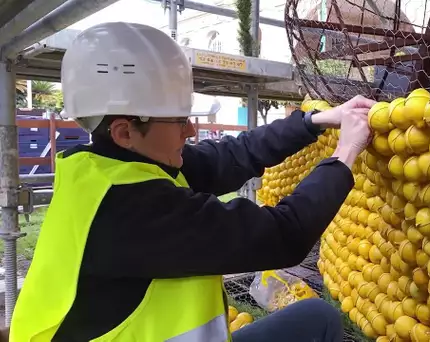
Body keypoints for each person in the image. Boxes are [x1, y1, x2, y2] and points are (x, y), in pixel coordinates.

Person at [10, 22, 375, 342]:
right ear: (125, 131)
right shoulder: (130, 213)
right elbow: (283, 235)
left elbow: (231, 155)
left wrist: (316, 121)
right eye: (178, 120)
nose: (191, 129)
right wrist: (344, 154)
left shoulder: (114, 168)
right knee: (317, 322)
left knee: (316, 318)